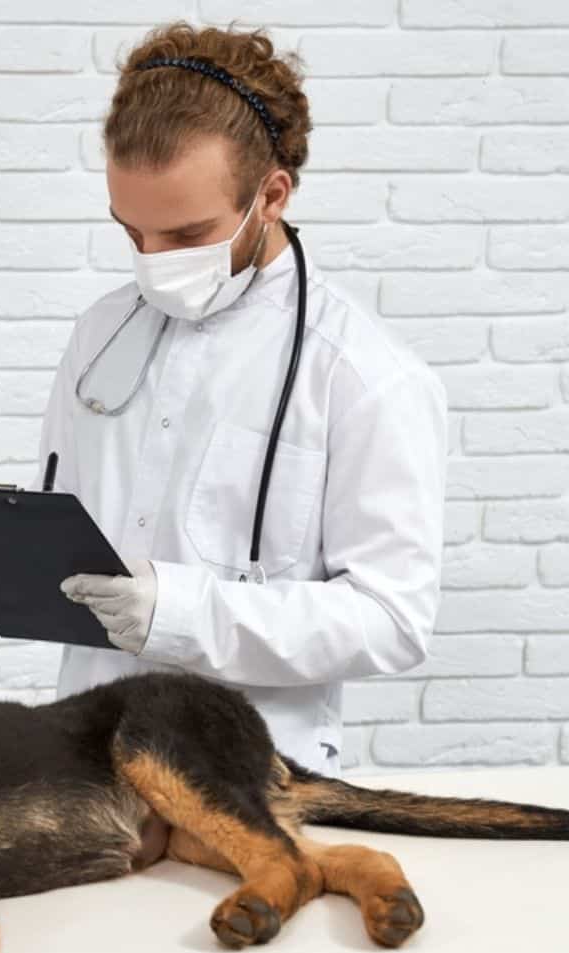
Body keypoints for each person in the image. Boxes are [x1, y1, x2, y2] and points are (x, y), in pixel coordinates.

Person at [41, 22, 449, 777]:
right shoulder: (99, 334)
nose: (153, 264)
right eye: (133, 233)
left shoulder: (363, 375)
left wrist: (179, 612)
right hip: (84, 760)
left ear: (271, 194)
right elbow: (67, 531)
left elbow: (392, 620)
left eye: (187, 234)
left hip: (249, 776)